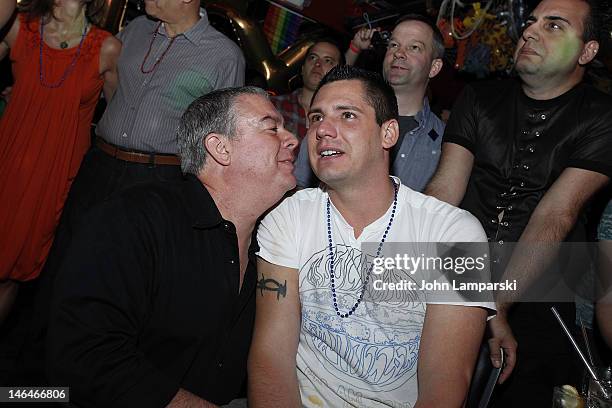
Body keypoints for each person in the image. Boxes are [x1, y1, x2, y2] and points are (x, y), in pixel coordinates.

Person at [249, 65, 494, 407]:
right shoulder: (287, 216)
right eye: (316, 118)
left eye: (347, 115)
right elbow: (270, 359)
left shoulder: (455, 233)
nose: (323, 130)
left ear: (388, 134)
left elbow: (446, 384)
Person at [46, 86, 298, 407]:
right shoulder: (136, 218)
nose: (293, 138)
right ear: (220, 148)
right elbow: (84, 354)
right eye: (272, 127)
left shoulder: (279, 239)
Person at [425, 0, 612, 404]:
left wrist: (498, 307)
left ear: (587, 51)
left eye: (555, 25)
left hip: (541, 296)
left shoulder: (602, 116)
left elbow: (556, 216)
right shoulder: (478, 98)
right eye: (531, 21)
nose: (530, 31)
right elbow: (444, 192)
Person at [0, 0, 120, 321]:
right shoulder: (18, 27)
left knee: (12, 271)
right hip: (6, 161)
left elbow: (120, 120)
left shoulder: (107, 48)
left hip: (50, 178)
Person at [294, 15, 445, 192]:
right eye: (394, 45)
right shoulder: (336, 113)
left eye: (414, 47)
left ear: (434, 67)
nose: (399, 53)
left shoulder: (443, 142)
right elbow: (299, 185)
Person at [271, 39, 343, 142]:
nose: (317, 64)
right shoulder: (273, 106)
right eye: (313, 58)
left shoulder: (340, 120)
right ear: (302, 69)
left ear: (338, 74)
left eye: (327, 60)